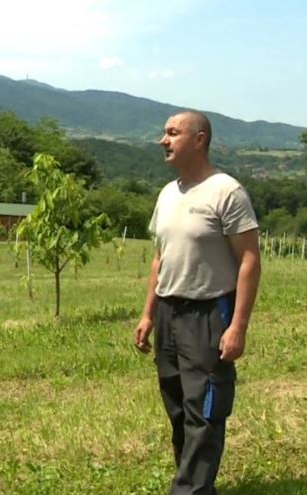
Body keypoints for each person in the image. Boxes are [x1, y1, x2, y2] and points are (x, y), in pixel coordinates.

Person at [133, 110, 261, 494]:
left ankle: (190, 490)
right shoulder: (167, 194)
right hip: (169, 312)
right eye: (164, 133)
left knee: (205, 408)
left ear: (199, 139)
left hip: (208, 313)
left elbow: (250, 260)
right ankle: (193, 482)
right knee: (177, 406)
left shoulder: (226, 192)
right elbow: (160, 258)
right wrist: (148, 314)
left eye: (173, 133)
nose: (163, 140)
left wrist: (237, 327)